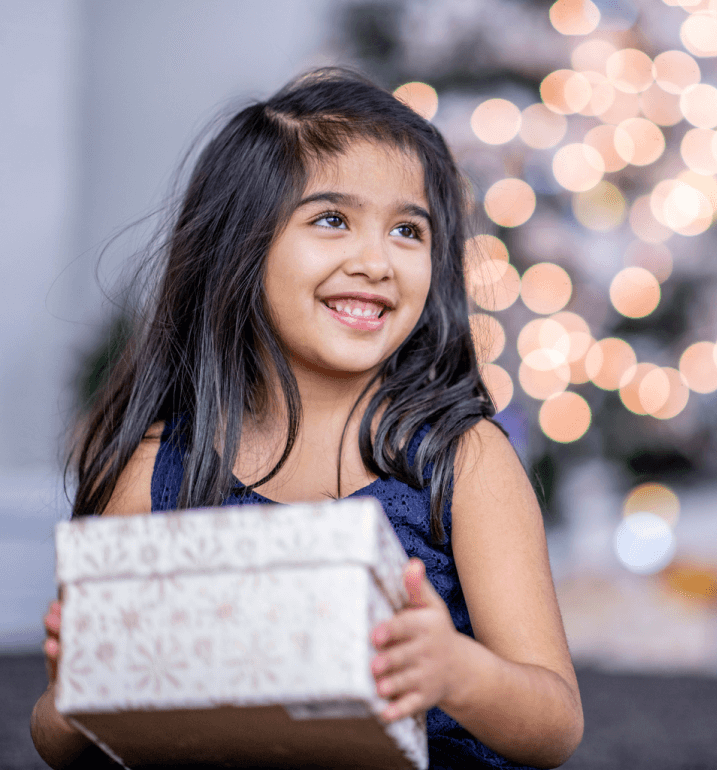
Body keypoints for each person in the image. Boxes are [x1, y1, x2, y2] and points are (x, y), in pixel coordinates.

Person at [30, 68, 583, 770]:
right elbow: (56, 740)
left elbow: (556, 723)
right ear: (241, 244)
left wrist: (457, 672)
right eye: (331, 219)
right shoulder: (157, 465)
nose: (377, 261)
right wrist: (72, 690)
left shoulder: (463, 459)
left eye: (408, 230)